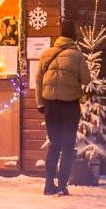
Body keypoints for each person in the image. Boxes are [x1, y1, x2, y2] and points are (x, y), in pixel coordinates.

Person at [37, 19, 90, 196]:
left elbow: (38, 80)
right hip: (69, 105)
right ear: (74, 36)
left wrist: (40, 103)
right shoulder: (77, 55)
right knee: (67, 146)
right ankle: (62, 185)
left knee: (54, 145)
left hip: (50, 105)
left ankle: (48, 184)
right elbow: (86, 79)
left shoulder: (46, 54)